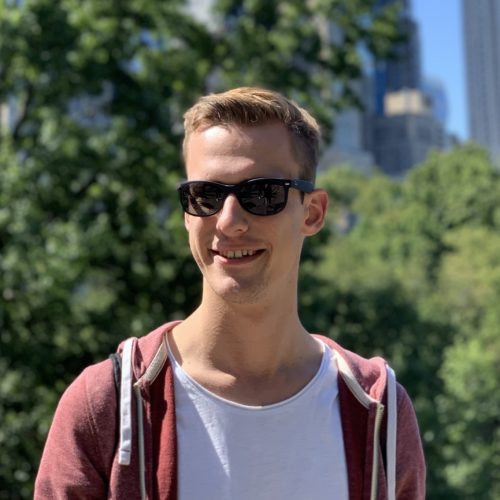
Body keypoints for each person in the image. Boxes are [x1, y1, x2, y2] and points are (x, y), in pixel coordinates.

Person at [35, 87, 425, 499]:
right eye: (206, 196)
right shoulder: (106, 406)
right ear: (187, 215)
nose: (229, 221)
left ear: (313, 213)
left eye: (263, 194)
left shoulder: (379, 412)